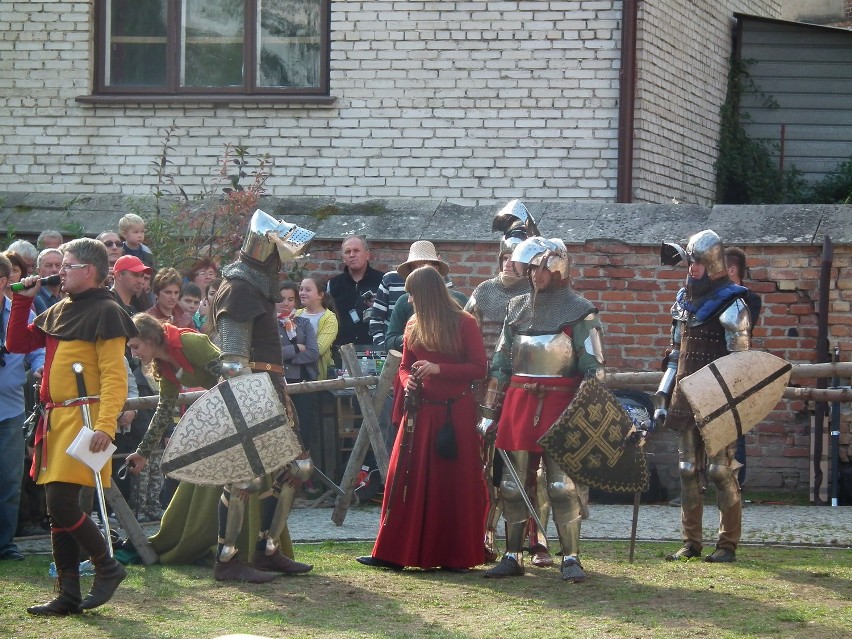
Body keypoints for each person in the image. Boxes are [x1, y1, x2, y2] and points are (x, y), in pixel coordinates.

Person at [7, 237, 137, 615]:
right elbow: (17, 343)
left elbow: (115, 377)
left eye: (67, 265)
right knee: (57, 508)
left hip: (85, 419)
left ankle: (107, 566)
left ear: (89, 271)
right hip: (56, 419)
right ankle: (68, 595)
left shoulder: (107, 311)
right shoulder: (60, 309)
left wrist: (106, 426)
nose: (58, 272)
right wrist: (23, 300)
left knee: (61, 503)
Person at [481, 236, 605, 583]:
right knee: (510, 484)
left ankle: (571, 557)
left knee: (562, 487)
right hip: (519, 402)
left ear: (557, 268)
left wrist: (583, 409)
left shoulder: (580, 310)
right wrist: (489, 412)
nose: (534, 274)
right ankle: (512, 555)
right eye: (531, 267)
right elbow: (501, 363)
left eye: (541, 267)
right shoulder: (516, 308)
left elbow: (594, 367)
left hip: (560, 404)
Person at [357, 266, 487, 571]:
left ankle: (455, 556)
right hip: (420, 414)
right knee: (402, 478)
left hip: (455, 415)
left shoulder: (464, 323)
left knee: (452, 484)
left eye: (413, 293)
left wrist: (440, 369)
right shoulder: (413, 324)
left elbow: (479, 368)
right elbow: (404, 366)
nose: (409, 299)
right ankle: (392, 552)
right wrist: (407, 382)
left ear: (426, 293)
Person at [210, 209, 315, 582]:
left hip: (272, 390)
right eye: (278, 258)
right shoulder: (239, 291)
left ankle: (268, 550)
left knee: (295, 469)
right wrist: (252, 405)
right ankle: (228, 559)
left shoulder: (253, 289)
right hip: (251, 394)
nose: (282, 267)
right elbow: (234, 361)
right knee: (244, 479)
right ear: (266, 253)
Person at [655, 230, 750, 563]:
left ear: (711, 263)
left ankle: (726, 545)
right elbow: (674, 354)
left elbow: (741, 364)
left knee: (720, 471)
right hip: (685, 392)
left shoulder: (732, 302)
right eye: (689, 261)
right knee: (685, 468)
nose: (690, 267)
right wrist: (662, 395)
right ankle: (690, 542)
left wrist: (732, 404)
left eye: (696, 262)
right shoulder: (683, 300)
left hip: (718, 398)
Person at [465, 201, 551, 567]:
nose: (507, 262)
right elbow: (463, 330)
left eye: (514, 256)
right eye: (503, 256)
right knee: (488, 466)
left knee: (538, 469)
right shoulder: (485, 291)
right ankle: (486, 535)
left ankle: (539, 540)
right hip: (488, 386)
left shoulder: (546, 298)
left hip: (533, 387)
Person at [0, 254, 45, 562]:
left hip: (11, 411)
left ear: (3, 281)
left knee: (10, 481)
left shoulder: (22, 311)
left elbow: (38, 349)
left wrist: (42, 368)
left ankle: (5, 544)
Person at [383, 241, 467, 354]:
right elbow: (389, 343)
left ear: (436, 269)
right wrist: (413, 335)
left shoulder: (458, 300)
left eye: (424, 267)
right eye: (415, 268)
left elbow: (471, 343)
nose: (419, 272)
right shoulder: (404, 302)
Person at [725, 246, 762, 487]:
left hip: (736, 367)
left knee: (736, 429)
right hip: (710, 364)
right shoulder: (710, 296)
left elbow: (741, 331)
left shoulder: (750, 300)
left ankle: (737, 484)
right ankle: (696, 483)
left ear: (731, 269)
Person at [277, 281, 320, 451]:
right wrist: (295, 348)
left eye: (290, 299)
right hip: (280, 382)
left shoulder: (304, 323)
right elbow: (272, 354)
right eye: (282, 299)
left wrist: (288, 357)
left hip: (303, 383)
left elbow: (313, 353)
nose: (286, 303)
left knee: (303, 431)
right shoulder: (268, 326)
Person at [326, 236, 384, 351]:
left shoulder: (383, 281)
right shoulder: (332, 285)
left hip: (374, 349)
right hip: (340, 350)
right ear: (343, 258)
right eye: (348, 252)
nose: (352, 255)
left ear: (367, 254)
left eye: (356, 250)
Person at [295, 274, 338, 382]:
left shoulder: (329, 319)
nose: (302, 293)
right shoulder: (296, 314)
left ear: (320, 295)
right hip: (294, 374)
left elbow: (317, 350)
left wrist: (291, 352)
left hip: (318, 378)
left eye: (308, 290)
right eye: (301, 289)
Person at [33, 249, 63, 314]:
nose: (54, 270)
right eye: (48, 265)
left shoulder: (67, 295)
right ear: (39, 271)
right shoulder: (34, 298)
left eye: (58, 265)